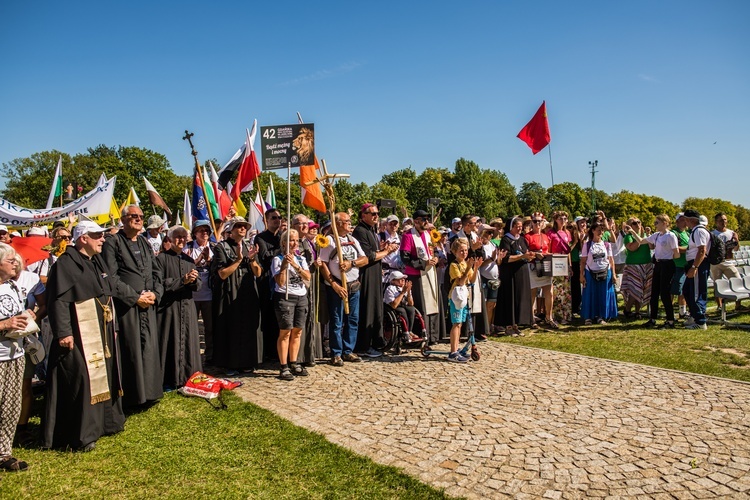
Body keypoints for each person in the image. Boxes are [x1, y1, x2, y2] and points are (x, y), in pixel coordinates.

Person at [43, 221, 125, 452]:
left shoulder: (95, 260)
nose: (102, 239)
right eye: (97, 235)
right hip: (78, 334)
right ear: (83, 238)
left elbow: (107, 291)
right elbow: (57, 300)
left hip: (102, 330)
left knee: (103, 375)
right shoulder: (64, 265)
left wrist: (113, 325)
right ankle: (81, 434)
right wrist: (64, 332)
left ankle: (104, 423)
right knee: (82, 379)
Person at [102, 204, 164, 408]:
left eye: (141, 216)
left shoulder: (145, 243)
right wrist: (134, 297)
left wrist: (155, 293)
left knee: (149, 348)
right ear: (123, 219)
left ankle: (151, 392)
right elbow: (111, 277)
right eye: (133, 216)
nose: (138, 219)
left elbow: (156, 272)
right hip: (127, 306)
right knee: (132, 350)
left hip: (148, 304)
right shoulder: (113, 242)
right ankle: (133, 396)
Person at [210, 216, 263, 375]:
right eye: (238, 226)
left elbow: (258, 273)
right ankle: (230, 364)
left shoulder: (249, 246)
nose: (242, 229)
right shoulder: (221, 247)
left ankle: (246, 361)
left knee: (246, 327)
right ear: (230, 230)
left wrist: (252, 260)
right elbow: (222, 274)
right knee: (230, 327)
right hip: (228, 293)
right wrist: (239, 259)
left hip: (246, 293)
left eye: (244, 226)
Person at [319, 212, 368, 366]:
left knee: (353, 319)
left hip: (353, 285)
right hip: (337, 286)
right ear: (338, 223)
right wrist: (334, 284)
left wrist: (351, 264)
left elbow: (364, 259)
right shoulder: (329, 241)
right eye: (347, 221)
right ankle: (336, 353)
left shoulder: (352, 240)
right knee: (337, 321)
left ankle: (348, 350)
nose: (350, 223)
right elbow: (323, 265)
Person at [156, 226, 202, 389]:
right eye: (177, 236)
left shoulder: (189, 260)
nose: (181, 239)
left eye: (184, 237)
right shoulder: (161, 259)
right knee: (170, 341)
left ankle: (187, 377)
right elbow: (159, 284)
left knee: (188, 341)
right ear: (169, 238)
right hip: (170, 309)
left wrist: (194, 279)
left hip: (187, 306)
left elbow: (198, 285)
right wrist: (183, 280)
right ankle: (169, 379)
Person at [353, 203, 400, 357]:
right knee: (367, 308)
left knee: (375, 308)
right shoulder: (360, 231)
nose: (375, 216)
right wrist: (386, 251)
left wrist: (381, 249)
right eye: (372, 213)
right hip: (365, 274)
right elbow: (368, 257)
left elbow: (374, 252)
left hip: (374, 273)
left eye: (377, 213)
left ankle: (376, 342)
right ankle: (364, 345)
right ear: (363, 215)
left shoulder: (371, 230)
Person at [0, 244, 32, 471]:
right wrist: (5, 324)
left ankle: (4, 453)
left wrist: (27, 317)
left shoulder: (11, 286)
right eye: (10, 259)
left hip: (16, 354)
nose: (15, 262)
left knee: (11, 406)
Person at [11, 253, 46, 449]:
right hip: (4, 340)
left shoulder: (31, 279)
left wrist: (34, 317)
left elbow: (44, 305)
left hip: (26, 339)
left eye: (18, 261)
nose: (15, 265)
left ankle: (22, 427)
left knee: (25, 384)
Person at [400, 210, 446, 345]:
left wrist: (437, 258)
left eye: (427, 219)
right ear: (416, 221)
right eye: (423, 219)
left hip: (431, 273)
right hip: (416, 275)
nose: (426, 222)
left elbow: (434, 250)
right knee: (422, 306)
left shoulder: (428, 234)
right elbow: (405, 258)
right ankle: (422, 335)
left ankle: (434, 335)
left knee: (433, 303)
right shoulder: (408, 236)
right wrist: (423, 263)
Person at [271, 229, 311, 380]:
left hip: (301, 296)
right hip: (285, 297)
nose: (294, 243)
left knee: (297, 331)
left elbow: (307, 277)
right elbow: (280, 282)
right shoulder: (278, 259)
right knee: (285, 331)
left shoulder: (301, 259)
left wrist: (295, 265)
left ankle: (294, 362)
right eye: (291, 240)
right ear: (284, 243)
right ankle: (283, 365)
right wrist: (284, 266)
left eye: (296, 240)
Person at [629, 215, 680, 328]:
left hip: (667, 264)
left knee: (665, 293)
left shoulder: (670, 236)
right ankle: (652, 319)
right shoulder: (656, 235)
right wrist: (632, 232)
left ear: (665, 223)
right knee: (654, 292)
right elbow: (642, 241)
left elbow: (676, 254)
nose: (655, 225)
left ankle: (670, 320)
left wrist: (666, 256)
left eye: (657, 222)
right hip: (658, 264)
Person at [494, 217, 535, 336]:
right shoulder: (506, 240)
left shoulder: (522, 239)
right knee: (510, 299)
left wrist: (530, 256)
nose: (519, 228)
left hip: (522, 272)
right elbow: (506, 259)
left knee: (519, 298)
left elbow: (525, 253)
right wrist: (522, 256)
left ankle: (516, 324)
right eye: (517, 226)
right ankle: (508, 326)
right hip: (510, 274)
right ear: (511, 226)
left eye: (521, 226)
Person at [183, 220, 215, 364]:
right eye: (201, 231)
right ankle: (193, 355)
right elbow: (184, 266)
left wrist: (209, 261)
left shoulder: (214, 247)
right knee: (192, 327)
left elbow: (218, 268)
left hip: (209, 293)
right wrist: (199, 258)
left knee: (210, 327)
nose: (205, 233)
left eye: (207, 231)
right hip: (193, 295)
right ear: (195, 233)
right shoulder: (188, 248)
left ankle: (210, 355)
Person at [292, 215, 323, 366]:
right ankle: (296, 357)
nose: (305, 226)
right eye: (301, 224)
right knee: (298, 322)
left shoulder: (308, 243)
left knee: (310, 318)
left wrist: (315, 264)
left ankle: (309, 354)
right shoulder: (292, 242)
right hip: (296, 286)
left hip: (309, 285)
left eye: (306, 224)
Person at [447, 238, 482, 362]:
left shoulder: (464, 263)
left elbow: (471, 280)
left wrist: (476, 267)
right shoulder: (454, 265)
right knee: (456, 323)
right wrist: (468, 268)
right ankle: (453, 352)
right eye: (461, 251)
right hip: (456, 297)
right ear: (455, 252)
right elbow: (460, 281)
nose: (464, 253)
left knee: (460, 323)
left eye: (466, 250)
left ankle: (456, 349)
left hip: (464, 296)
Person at [255, 208, 283, 361]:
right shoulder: (261, 238)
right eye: (274, 218)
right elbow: (266, 257)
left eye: (279, 217)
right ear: (267, 220)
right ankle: (267, 351)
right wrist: (282, 247)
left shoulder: (282, 236)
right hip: (267, 282)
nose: (277, 220)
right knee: (268, 317)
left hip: (282, 282)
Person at [580, 221, 618, 325]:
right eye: (598, 230)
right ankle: (588, 317)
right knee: (589, 295)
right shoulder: (587, 245)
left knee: (603, 294)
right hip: (590, 272)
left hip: (605, 272)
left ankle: (601, 316)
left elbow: (611, 260)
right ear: (593, 230)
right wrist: (581, 275)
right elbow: (583, 261)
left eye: (602, 230)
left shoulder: (606, 244)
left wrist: (614, 274)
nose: (600, 232)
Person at [525, 213, 557, 328]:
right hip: (533, 266)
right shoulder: (527, 236)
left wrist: (548, 254)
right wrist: (535, 254)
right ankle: (531, 317)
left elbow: (547, 250)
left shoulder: (545, 236)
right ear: (532, 223)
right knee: (532, 293)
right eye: (535, 221)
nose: (537, 223)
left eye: (539, 221)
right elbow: (526, 253)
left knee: (549, 292)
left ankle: (549, 317)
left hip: (545, 266)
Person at [682, 209, 711, 330]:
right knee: (687, 290)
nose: (684, 222)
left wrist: (694, 267)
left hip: (698, 265)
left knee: (696, 293)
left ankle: (700, 321)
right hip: (695, 264)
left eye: (685, 219)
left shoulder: (699, 231)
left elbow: (701, 250)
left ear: (690, 220)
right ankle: (694, 316)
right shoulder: (695, 231)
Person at [621, 217, 653, 318]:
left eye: (639, 222)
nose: (637, 224)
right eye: (634, 223)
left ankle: (637, 312)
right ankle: (627, 309)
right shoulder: (628, 236)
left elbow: (652, 247)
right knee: (635, 289)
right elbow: (632, 248)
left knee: (643, 289)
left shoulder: (645, 236)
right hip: (633, 266)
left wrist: (647, 236)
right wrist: (638, 237)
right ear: (630, 226)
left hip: (646, 265)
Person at [711, 213, 743, 312]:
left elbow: (736, 249)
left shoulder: (731, 233)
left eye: (725, 220)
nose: (723, 222)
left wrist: (736, 240)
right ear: (716, 222)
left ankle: (738, 305)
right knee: (717, 283)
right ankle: (719, 306)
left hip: (728, 261)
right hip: (716, 263)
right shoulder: (712, 234)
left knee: (737, 280)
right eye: (721, 220)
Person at [547, 211, 573, 325]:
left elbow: (568, 252)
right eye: (560, 218)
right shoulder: (551, 233)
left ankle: (566, 315)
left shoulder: (567, 232)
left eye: (565, 219)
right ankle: (556, 315)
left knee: (566, 290)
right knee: (557, 290)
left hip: (564, 263)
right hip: (555, 262)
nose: (563, 221)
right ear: (555, 220)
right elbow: (548, 249)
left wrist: (570, 265)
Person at [478, 228, 505, 327]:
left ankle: (488, 326)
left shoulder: (494, 245)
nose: (488, 235)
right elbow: (480, 264)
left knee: (492, 304)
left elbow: (498, 262)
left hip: (494, 278)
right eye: (486, 232)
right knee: (483, 304)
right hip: (484, 277)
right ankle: (482, 326)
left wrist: (499, 258)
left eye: (490, 233)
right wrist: (491, 258)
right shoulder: (480, 247)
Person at [383, 270, 421, 342]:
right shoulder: (390, 288)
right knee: (402, 310)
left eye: (403, 279)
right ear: (393, 281)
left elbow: (411, 304)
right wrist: (403, 292)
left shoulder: (405, 288)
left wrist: (408, 292)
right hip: (391, 308)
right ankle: (405, 332)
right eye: (400, 279)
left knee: (411, 309)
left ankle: (409, 331)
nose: (403, 280)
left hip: (403, 306)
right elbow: (394, 305)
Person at [671, 214, 690, 319]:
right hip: (676, 265)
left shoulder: (687, 233)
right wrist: (689, 248)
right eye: (682, 220)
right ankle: (669, 311)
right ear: (677, 222)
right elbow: (674, 248)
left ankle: (682, 311)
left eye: (686, 220)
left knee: (683, 290)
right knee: (673, 290)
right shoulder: (674, 233)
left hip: (685, 265)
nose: (685, 222)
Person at [570, 216, 588, 318]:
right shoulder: (573, 234)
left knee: (584, 285)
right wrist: (579, 241)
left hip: (586, 263)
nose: (583, 224)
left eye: (584, 222)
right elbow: (570, 249)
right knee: (575, 286)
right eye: (581, 222)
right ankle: (575, 307)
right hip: (575, 261)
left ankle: (582, 306)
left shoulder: (588, 234)